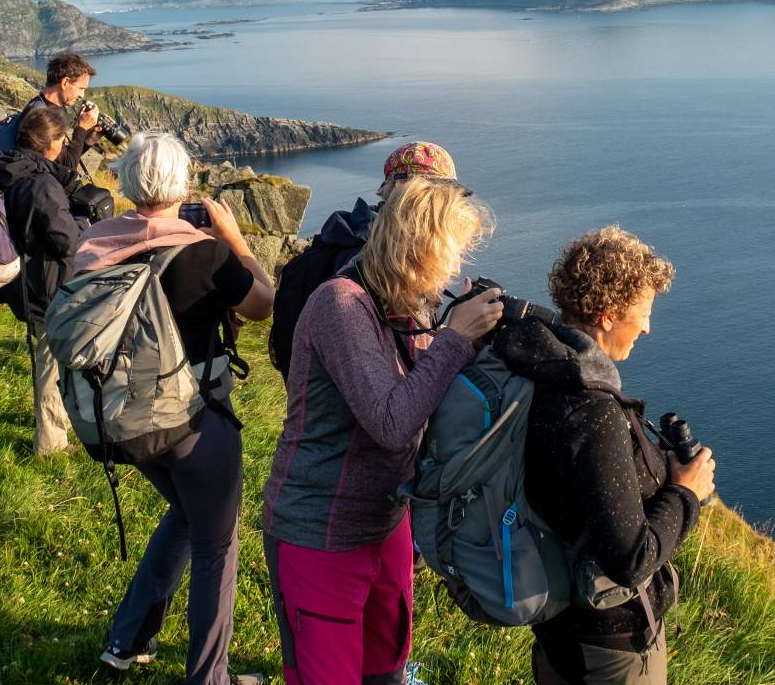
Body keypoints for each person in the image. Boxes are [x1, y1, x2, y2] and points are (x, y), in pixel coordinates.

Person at [262, 178, 503, 685]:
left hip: (386, 524)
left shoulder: (404, 306)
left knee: (387, 673)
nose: (455, 267)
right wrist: (455, 341)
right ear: (413, 244)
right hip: (320, 533)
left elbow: (428, 397)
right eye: (449, 252)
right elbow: (392, 422)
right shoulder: (341, 305)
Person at [79, 131, 275, 685]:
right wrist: (235, 241)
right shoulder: (205, 254)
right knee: (217, 544)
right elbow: (265, 305)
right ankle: (209, 678)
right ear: (184, 185)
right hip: (192, 421)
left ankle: (127, 640)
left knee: (188, 516)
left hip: (120, 416)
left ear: (125, 180)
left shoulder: (93, 244)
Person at [495, 226, 711, 685]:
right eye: (644, 313)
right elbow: (630, 559)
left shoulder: (536, 367)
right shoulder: (592, 409)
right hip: (609, 648)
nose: (649, 327)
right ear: (610, 315)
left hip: (557, 629)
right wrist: (685, 493)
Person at [269, 141, 461, 380]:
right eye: (441, 201)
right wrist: (456, 338)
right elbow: (390, 396)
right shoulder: (375, 265)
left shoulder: (351, 240)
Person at [0, 105, 87, 456]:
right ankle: (51, 445)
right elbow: (65, 240)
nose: (64, 144)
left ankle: (61, 424)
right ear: (50, 144)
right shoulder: (40, 183)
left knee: (52, 357)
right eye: (62, 139)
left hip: (27, 280)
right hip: (48, 284)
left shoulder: (9, 170)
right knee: (50, 362)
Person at [24, 51, 108, 189]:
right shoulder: (41, 116)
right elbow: (67, 168)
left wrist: (89, 139)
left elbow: (62, 158)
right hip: (39, 193)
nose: (82, 95)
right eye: (81, 88)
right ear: (65, 82)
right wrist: (81, 128)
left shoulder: (43, 106)